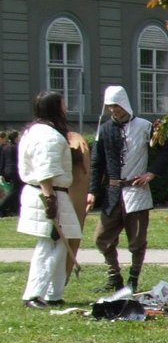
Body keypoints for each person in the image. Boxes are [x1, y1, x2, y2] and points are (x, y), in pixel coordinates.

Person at [17, 91, 82, 308]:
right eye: (62, 104)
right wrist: (50, 201)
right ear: (55, 107)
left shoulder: (35, 132)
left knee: (60, 244)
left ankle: (54, 293)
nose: (65, 108)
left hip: (49, 192)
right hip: (49, 193)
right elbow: (45, 171)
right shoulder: (48, 136)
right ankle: (33, 294)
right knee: (50, 244)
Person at [87, 86, 154, 292]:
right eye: (109, 106)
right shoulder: (105, 129)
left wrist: (151, 173)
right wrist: (92, 191)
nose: (113, 110)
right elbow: (97, 162)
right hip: (114, 193)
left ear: (124, 103)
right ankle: (114, 277)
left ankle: (133, 279)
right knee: (101, 238)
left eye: (116, 105)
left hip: (137, 191)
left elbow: (165, 151)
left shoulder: (145, 126)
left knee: (137, 240)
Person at [0, 129, 19, 216]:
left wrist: (1, 172)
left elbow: (2, 160)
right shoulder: (17, 147)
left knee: (14, 189)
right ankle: (2, 207)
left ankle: (13, 208)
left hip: (7, 171)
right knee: (16, 190)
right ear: (15, 138)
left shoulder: (5, 147)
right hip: (15, 170)